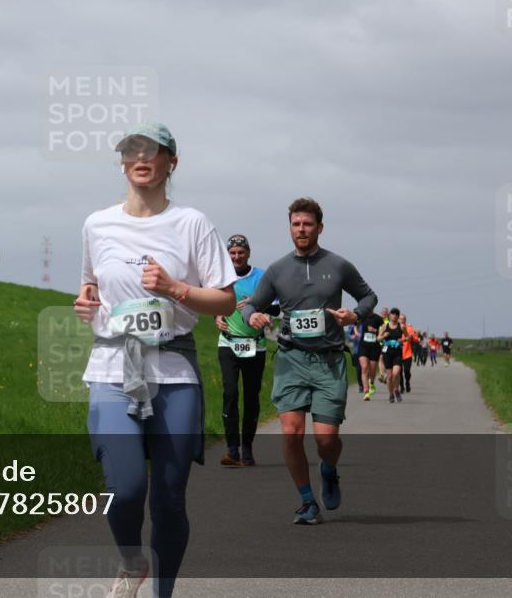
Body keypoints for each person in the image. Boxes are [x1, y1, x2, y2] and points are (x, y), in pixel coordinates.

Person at [73, 123, 236, 598]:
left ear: (172, 162)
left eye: (153, 151)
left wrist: (175, 289)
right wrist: (85, 304)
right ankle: (130, 560)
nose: (141, 158)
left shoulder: (193, 224)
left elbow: (225, 302)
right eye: (131, 150)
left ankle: (163, 592)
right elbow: (91, 287)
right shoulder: (97, 223)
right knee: (124, 489)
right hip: (111, 367)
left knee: (168, 498)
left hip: (174, 371)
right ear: (122, 162)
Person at [243, 198, 377, 525]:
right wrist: (254, 316)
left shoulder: (339, 265)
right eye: (296, 224)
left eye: (307, 224)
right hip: (291, 358)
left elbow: (368, 296)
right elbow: (249, 305)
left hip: (329, 361)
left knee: (326, 439)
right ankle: (307, 501)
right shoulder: (276, 270)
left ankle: (328, 470)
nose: (301, 230)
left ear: (320, 227)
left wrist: (354, 315)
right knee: (290, 433)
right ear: (289, 227)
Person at [216, 235, 277, 467]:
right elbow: (212, 302)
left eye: (241, 252)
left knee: (251, 396)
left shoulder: (261, 277)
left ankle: (247, 447)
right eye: (232, 253)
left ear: (248, 253)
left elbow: (278, 306)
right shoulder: (220, 275)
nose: (236, 257)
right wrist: (216, 316)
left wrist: (256, 302)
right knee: (230, 393)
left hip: (254, 345)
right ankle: (232, 449)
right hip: (228, 343)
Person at [378, 309, 408, 403]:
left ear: (398, 317)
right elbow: (378, 338)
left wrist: (402, 340)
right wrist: (384, 336)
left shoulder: (402, 326)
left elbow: (407, 337)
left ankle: (396, 390)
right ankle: (391, 394)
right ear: (389, 316)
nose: (394, 316)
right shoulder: (384, 326)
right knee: (390, 376)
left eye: (396, 315)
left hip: (397, 352)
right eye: (392, 314)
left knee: (396, 373)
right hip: (387, 352)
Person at [358, 309, 384, 401]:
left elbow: (384, 329)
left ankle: (371, 383)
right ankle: (366, 391)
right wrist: (357, 332)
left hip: (374, 347)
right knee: (364, 368)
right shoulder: (362, 316)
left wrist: (375, 330)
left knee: (372, 370)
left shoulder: (378, 319)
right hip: (363, 346)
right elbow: (354, 324)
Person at [399, 314, 419, 393]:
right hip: (398, 354)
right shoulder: (395, 328)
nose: (401, 320)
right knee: (398, 372)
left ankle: (407, 382)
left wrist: (411, 337)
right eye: (400, 319)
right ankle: (401, 386)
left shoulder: (409, 328)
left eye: (403, 319)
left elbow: (416, 339)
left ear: (405, 320)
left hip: (407, 354)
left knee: (406, 371)